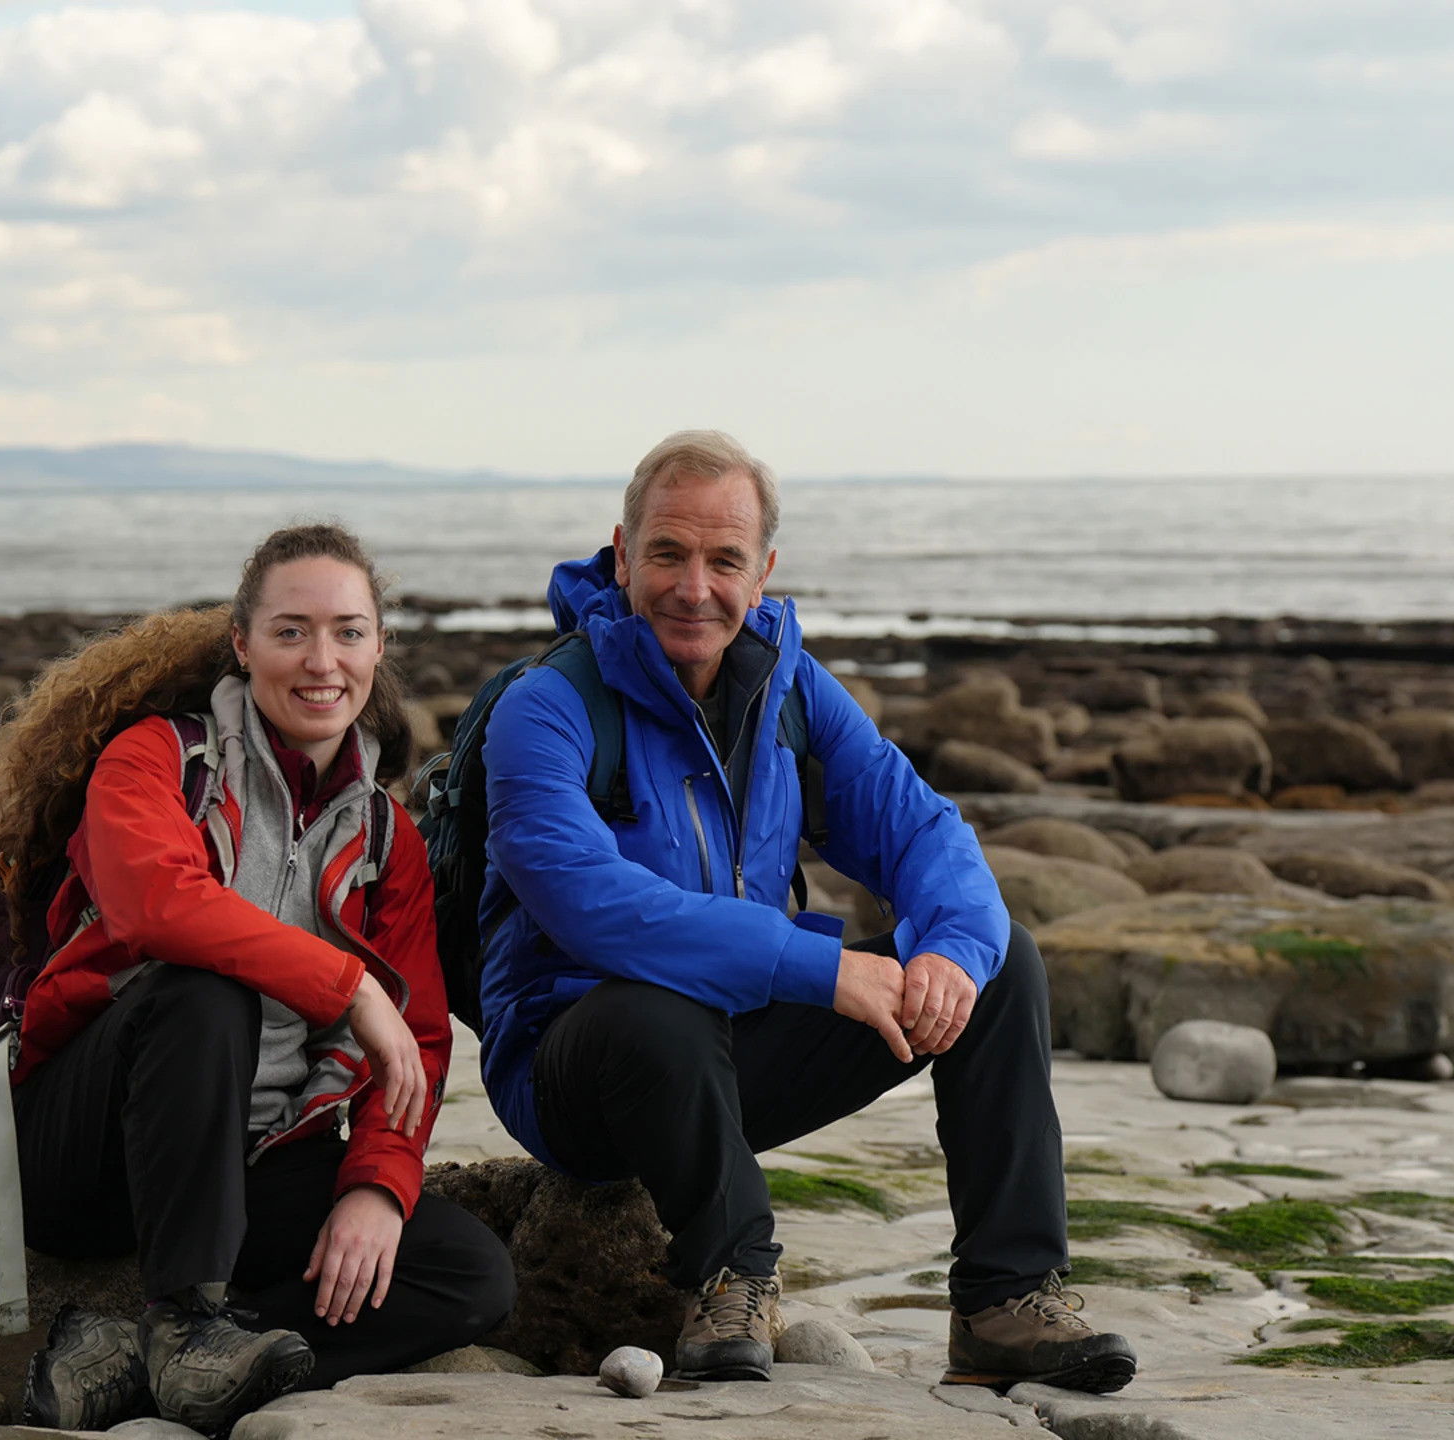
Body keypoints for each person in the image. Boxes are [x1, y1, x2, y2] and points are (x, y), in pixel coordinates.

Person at [473, 431, 1136, 1393]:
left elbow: (921, 829)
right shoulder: (547, 707)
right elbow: (587, 903)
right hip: (580, 1072)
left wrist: (952, 950)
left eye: (724, 559)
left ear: (763, 569)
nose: (693, 586)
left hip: (732, 1057)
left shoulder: (789, 687)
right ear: (621, 554)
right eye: (667, 553)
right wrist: (815, 966)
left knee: (1004, 966)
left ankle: (1004, 1298)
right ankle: (733, 1277)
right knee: (652, 1005)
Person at [0, 524, 514, 1436]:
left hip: (248, 1159)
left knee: (466, 1274)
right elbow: (155, 909)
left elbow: (414, 1040)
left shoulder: (386, 838)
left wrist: (375, 1186)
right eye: (291, 631)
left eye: (348, 632)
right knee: (206, 992)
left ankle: (144, 1363)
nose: (321, 660)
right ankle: (185, 1318)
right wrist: (348, 987)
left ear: (378, 647)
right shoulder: (155, 760)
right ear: (243, 645)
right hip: (81, 1147)